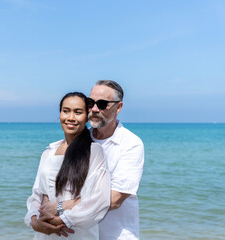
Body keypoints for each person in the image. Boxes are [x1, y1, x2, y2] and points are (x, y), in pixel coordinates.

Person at [39, 81, 144, 239]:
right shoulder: (77, 140)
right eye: (90, 103)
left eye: (102, 104)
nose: (94, 109)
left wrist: (60, 208)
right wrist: (42, 217)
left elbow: (114, 199)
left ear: (119, 107)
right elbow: (54, 184)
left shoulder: (130, 144)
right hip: (80, 234)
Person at [24, 92, 111, 239]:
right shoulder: (49, 152)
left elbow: (99, 200)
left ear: (87, 116)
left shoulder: (94, 151)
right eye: (66, 111)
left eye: (78, 112)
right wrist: (34, 221)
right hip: (45, 234)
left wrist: (62, 220)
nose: (70, 118)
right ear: (60, 114)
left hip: (78, 234)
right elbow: (36, 195)